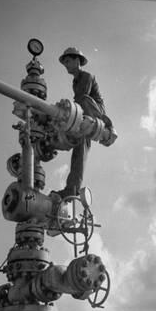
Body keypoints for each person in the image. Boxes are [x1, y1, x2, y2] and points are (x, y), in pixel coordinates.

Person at [54, 47, 113, 198]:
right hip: (85, 117)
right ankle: (71, 189)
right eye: (64, 63)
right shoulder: (75, 81)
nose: (66, 65)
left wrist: (68, 116)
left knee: (80, 101)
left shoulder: (87, 76)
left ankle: (107, 127)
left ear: (77, 60)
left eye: (68, 61)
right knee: (79, 151)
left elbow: (81, 98)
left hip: (94, 113)